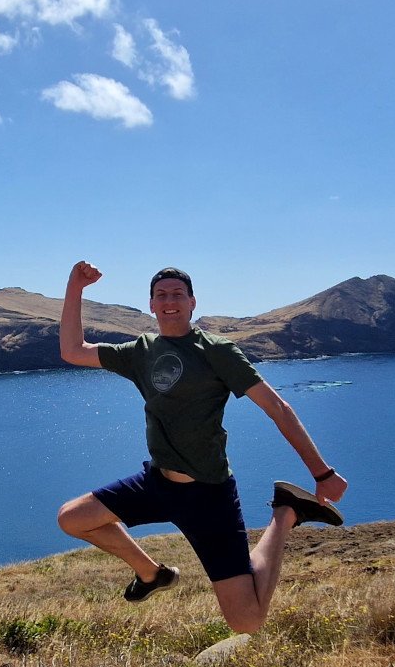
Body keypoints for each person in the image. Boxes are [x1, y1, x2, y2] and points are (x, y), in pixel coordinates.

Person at [55, 262, 348, 635]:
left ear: (192, 303)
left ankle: (286, 512)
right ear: (151, 305)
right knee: (72, 518)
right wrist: (75, 286)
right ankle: (151, 573)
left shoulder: (217, 351)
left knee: (247, 622)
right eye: (161, 295)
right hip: (157, 484)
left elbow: (278, 407)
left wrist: (321, 473)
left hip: (208, 494)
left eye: (178, 294)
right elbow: (73, 350)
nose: (169, 301)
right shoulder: (141, 351)